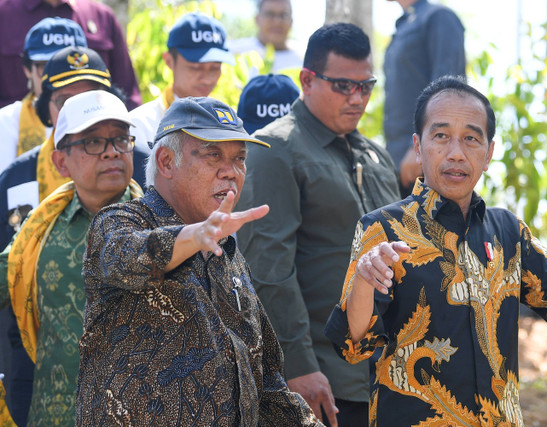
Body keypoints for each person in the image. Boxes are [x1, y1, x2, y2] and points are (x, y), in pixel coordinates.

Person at [324, 76, 547, 426]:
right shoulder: (384, 228)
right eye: (441, 136)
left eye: (471, 139)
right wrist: (364, 281)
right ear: (418, 146)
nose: (456, 153)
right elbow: (353, 345)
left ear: (489, 153)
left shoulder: (508, 231)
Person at [75, 96, 322, 426]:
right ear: (165, 162)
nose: (231, 172)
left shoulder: (227, 255)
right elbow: (124, 257)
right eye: (213, 155)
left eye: (240, 159)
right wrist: (193, 236)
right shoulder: (120, 222)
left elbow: (265, 384)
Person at [235, 23, 400, 427]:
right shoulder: (275, 149)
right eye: (343, 85)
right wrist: (298, 366)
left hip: (389, 379)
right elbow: (269, 270)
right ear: (307, 80)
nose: (357, 98)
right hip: (324, 380)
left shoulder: (374, 154)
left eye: (366, 86)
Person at [0, 90, 143, 427]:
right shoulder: (37, 233)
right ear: (61, 161)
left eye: (121, 140)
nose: (111, 151)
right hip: (57, 416)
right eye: (93, 142)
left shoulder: (164, 223)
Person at [0, 46, 149, 251]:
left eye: (93, 99)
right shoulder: (15, 178)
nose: (83, 111)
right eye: (67, 101)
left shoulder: (147, 167)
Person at [384, 0, 466, 196]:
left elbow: (449, 91)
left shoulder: (438, 17)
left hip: (426, 163)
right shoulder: (404, 24)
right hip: (399, 162)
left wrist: (421, 148)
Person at [0, 0, 141, 110]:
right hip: (16, 137)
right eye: (42, 65)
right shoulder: (4, 15)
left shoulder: (101, 16)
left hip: (94, 133)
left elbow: (127, 93)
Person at [129, 12, 235, 150]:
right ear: (169, 61)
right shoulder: (139, 126)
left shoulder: (230, 123)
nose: (208, 78)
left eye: (215, 68)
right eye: (196, 68)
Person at [0, 17, 87, 174]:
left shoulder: (107, 121)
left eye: (67, 66)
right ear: (27, 69)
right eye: (45, 66)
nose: (56, 77)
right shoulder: (5, 123)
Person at [228, 0, 303, 72]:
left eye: (283, 15)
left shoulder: (304, 60)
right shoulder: (235, 52)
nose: (277, 22)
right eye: (270, 14)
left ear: (291, 21)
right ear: (257, 19)